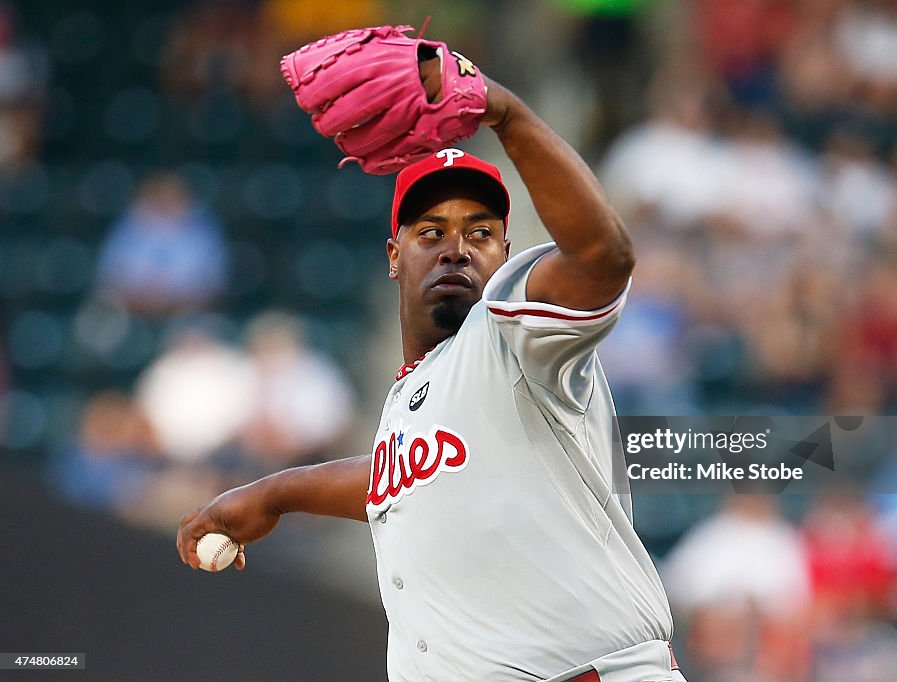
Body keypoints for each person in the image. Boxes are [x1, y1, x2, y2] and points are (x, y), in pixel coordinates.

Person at [177, 43, 685, 682]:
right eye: (430, 232)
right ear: (394, 255)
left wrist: (508, 115)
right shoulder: (414, 397)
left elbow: (601, 258)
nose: (455, 249)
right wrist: (278, 493)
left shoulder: (515, 337)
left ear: (506, 253)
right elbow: (405, 479)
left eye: (479, 233)